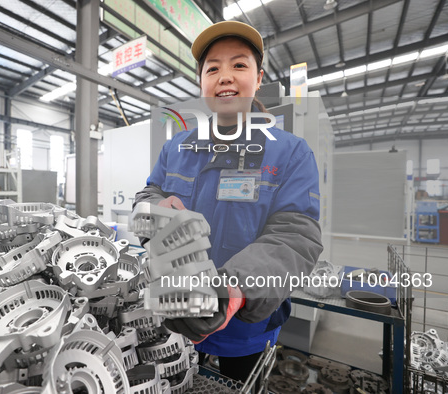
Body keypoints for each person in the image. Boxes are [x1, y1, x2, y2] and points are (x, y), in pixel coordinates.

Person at [133, 20, 323, 383]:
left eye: (239, 65)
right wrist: (156, 212)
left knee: (242, 384)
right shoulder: (177, 147)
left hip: (245, 323)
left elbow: (296, 236)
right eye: (213, 68)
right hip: (177, 312)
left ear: (259, 77)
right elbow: (147, 195)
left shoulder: (290, 152)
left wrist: (235, 288)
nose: (225, 76)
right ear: (202, 82)